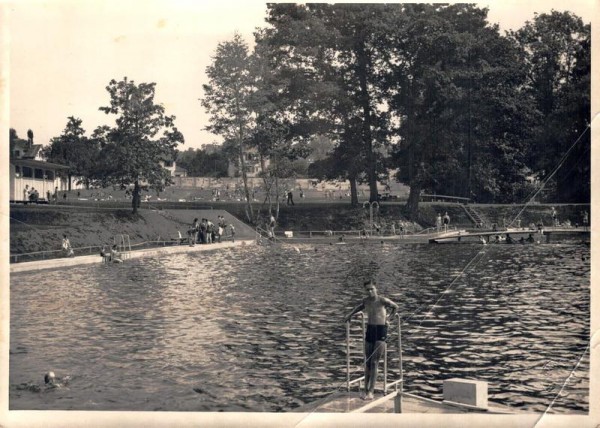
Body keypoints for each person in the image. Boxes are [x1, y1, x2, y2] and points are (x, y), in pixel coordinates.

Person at [343, 280, 399, 400]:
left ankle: (371, 391)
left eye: (371, 289)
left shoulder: (382, 300)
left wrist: (389, 319)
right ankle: (365, 389)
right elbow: (360, 307)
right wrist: (350, 314)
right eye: (367, 289)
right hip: (370, 329)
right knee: (367, 362)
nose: (369, 291)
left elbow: (395, 307)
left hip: (380, 330)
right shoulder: (366, 300)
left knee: (374, 362)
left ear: (376, 288)